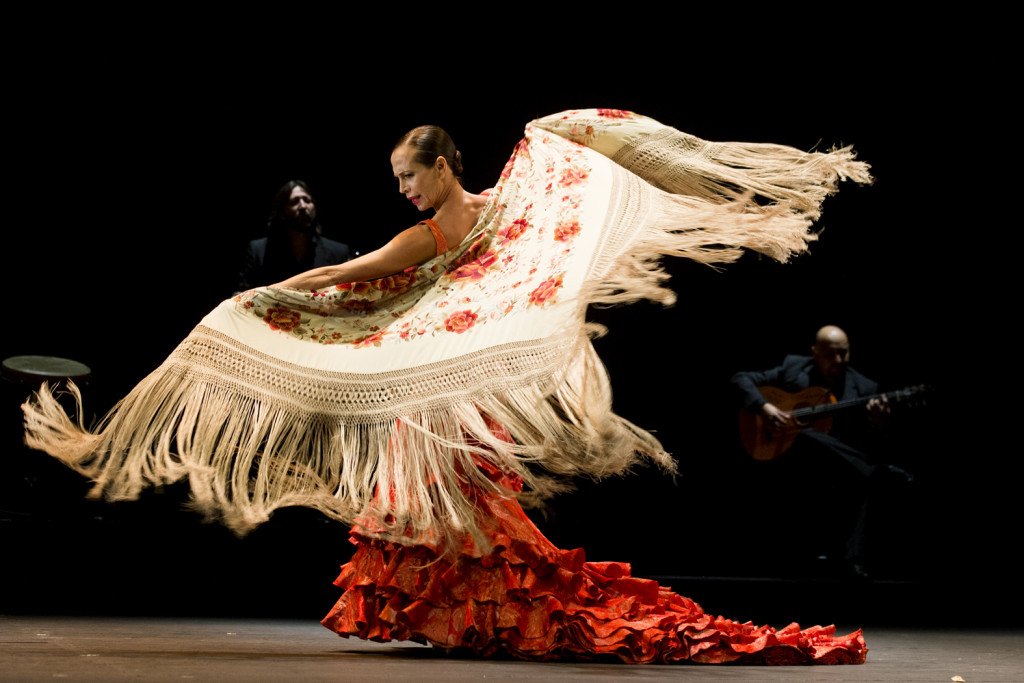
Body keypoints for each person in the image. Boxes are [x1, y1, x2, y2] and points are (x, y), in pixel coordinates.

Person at [23, 109, 873, 664]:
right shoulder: (425, 234)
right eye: (397, 180)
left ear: (443, 165)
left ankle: (499, 612)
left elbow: (562, 188)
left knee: (475, 516)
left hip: (465, 402)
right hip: (429, 404)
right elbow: (354, 270)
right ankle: (468, 614)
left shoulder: (509, 206)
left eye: (409, 174)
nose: (402, 187)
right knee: (435, 512)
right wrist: (270, 294)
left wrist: (584, 136)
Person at [731, 325, 914, 578]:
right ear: (815, 353)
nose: (838, 361)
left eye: (844, 353)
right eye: (830, 354)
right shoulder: (794, 368)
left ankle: (853, 562)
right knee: (804, 434)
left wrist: (882, 424)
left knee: (856, 478)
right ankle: (874, 474)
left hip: (838, 465)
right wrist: (765, 407)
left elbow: (869, 442)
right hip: (792, 458)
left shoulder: (865, 388)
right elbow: (741, 379)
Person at [237, 180, 351, 293]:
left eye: (307, 200)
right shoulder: (258, 251)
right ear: (281, 213)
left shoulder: (338, 252)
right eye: (294, 202)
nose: (302, 206)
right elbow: (242, 294)